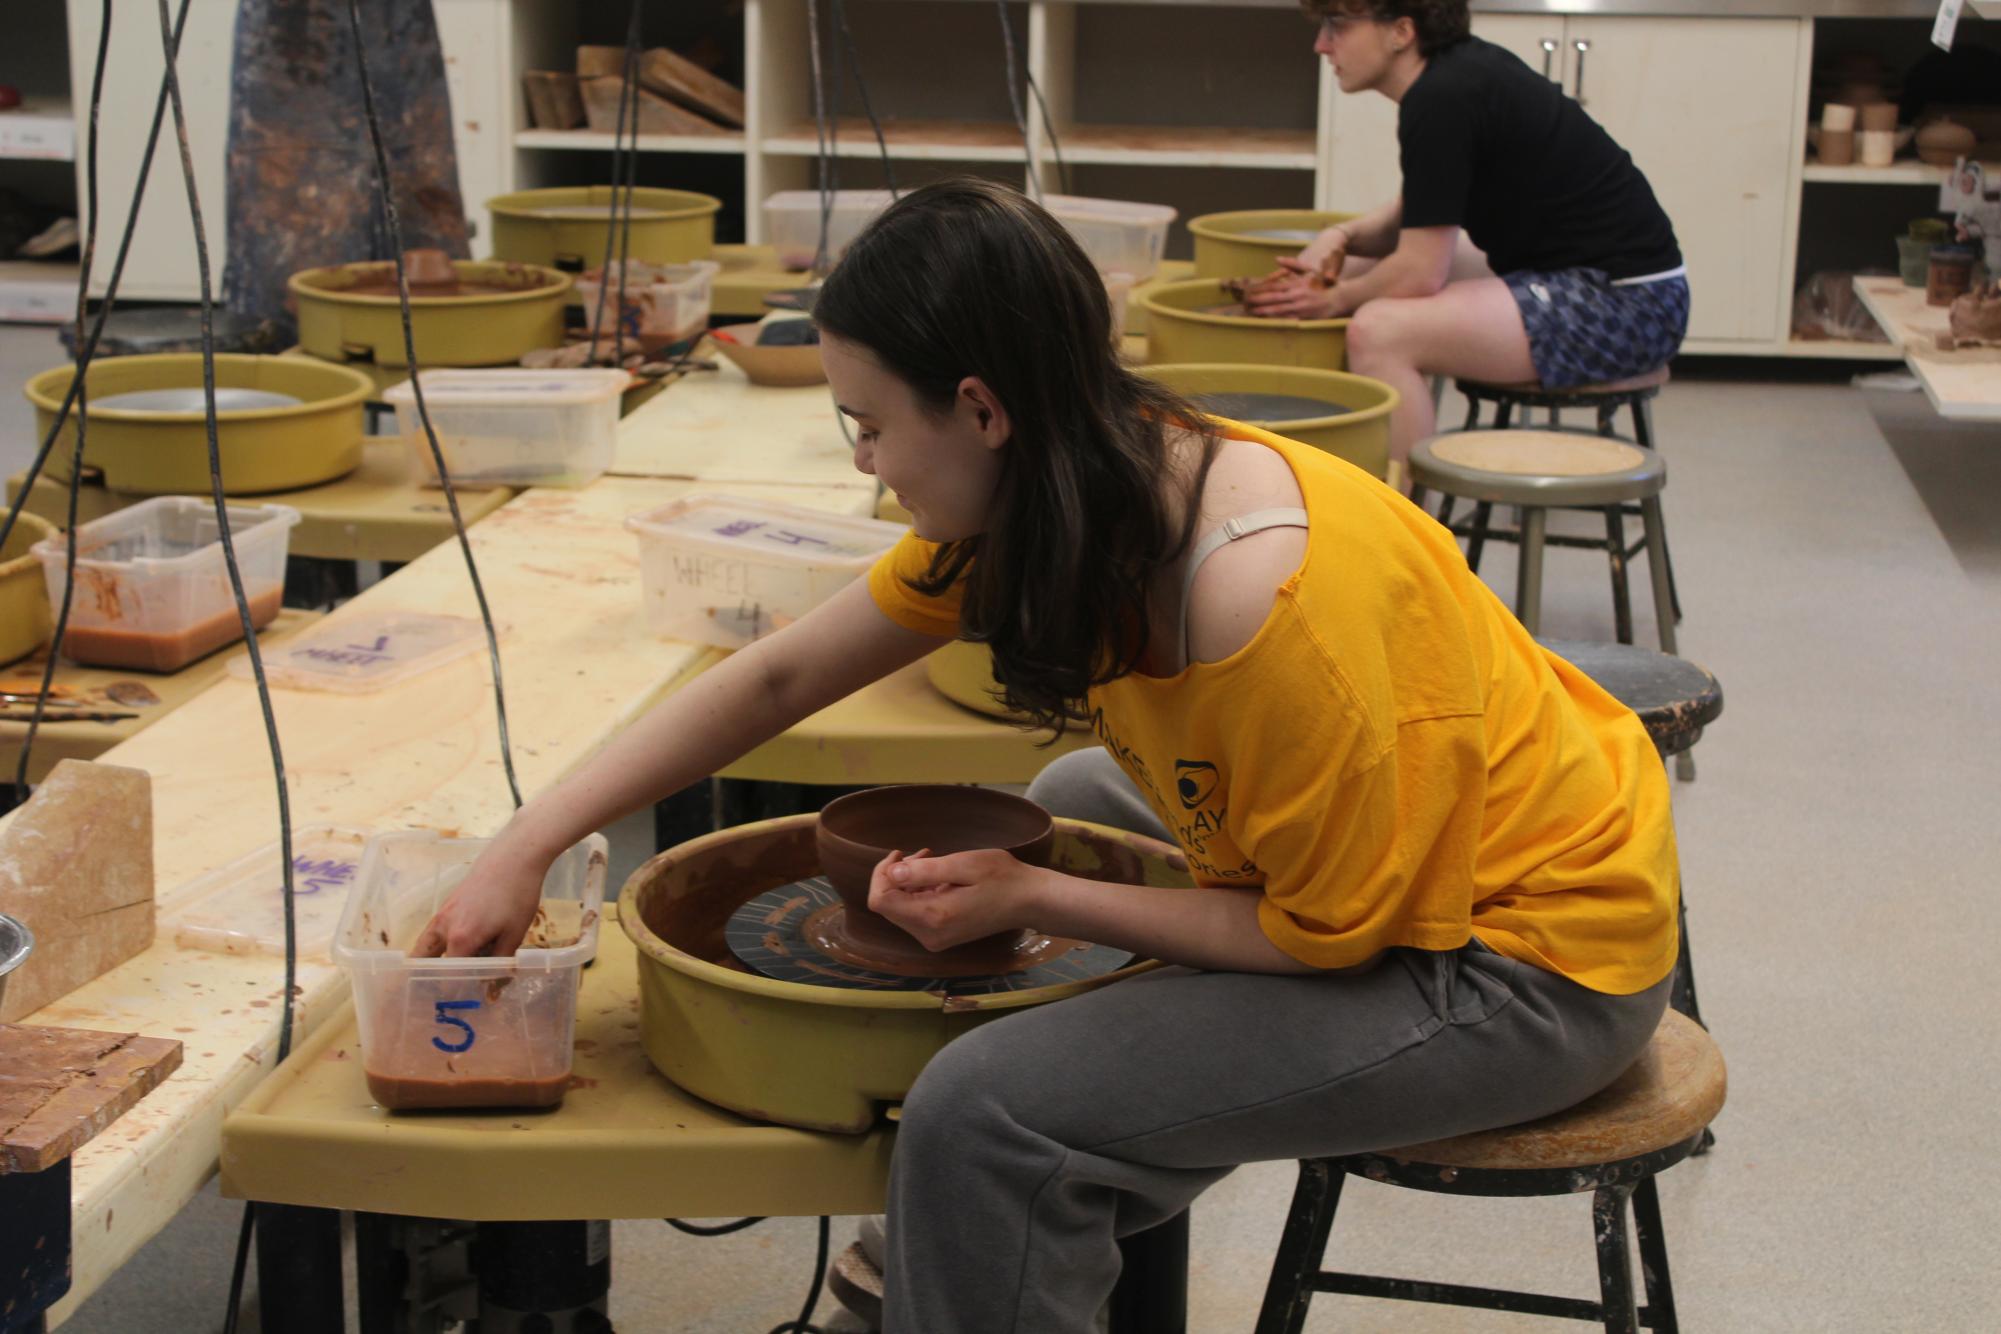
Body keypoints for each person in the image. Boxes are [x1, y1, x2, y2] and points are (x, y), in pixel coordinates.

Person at [414, 178, 1679, 1334]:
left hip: (1522, 962)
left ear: (979, 406)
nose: (859, 461)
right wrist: (526, 843)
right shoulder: (1069, 476)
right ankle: (1003, 1232)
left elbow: (1317, 938)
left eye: (866, 426)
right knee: (1071, 795)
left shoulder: (1264, 604)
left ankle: (993, 1203)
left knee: (987, 1110)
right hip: (1430, 847)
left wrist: (1036, 897)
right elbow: (784, 673)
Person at [1245, 0, 1689, 474]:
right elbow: (1421, 212)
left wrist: (1335, 301)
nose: (1322, 44)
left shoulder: (1442, 98)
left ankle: (1407, 528)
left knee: (1378, 332)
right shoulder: (1457, 74)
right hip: (1587, 279)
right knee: (1351, 273)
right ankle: (1330, 470)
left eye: (1338, 26)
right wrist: (1342, 237)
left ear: (1400, 31)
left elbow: (1418, 272)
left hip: (1629, 307)